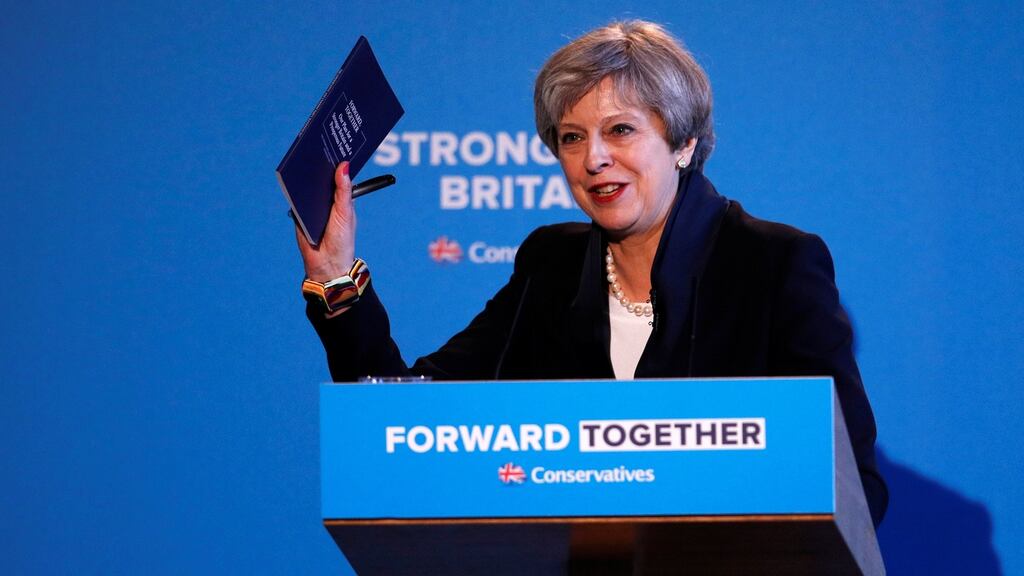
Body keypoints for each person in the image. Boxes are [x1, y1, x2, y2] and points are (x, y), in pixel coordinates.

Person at [294, 20, 888, 526]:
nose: (593, 159)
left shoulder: (772, 263)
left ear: (682, 141)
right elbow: (407, 427)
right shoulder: (550, 266)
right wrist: (339, 282)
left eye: (620, 130)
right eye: (571, 138)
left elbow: (852, 483)